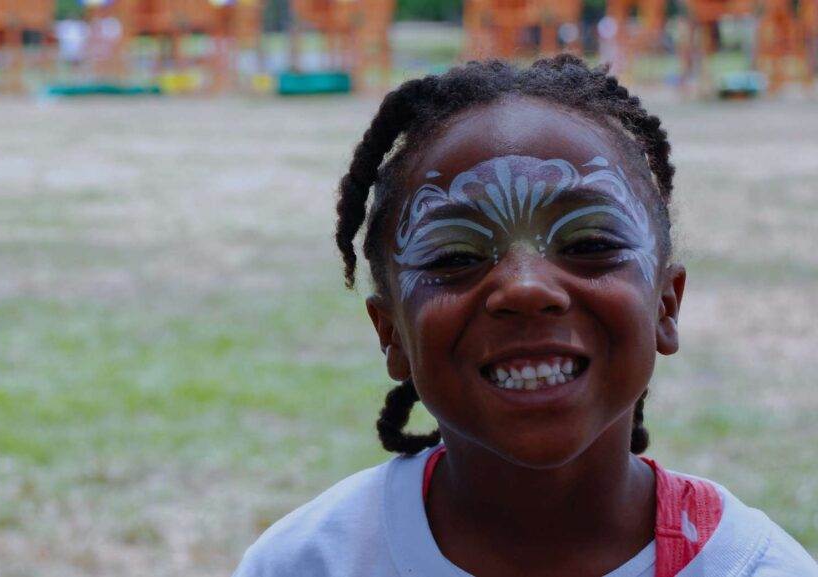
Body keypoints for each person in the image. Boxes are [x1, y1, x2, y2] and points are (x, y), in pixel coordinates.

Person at [232, 55, 818, 577]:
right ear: (392, 335)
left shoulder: (755, 566)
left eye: (589, 244)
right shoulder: (309, 561)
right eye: (455, 257)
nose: (526, 288)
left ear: (666, 303)